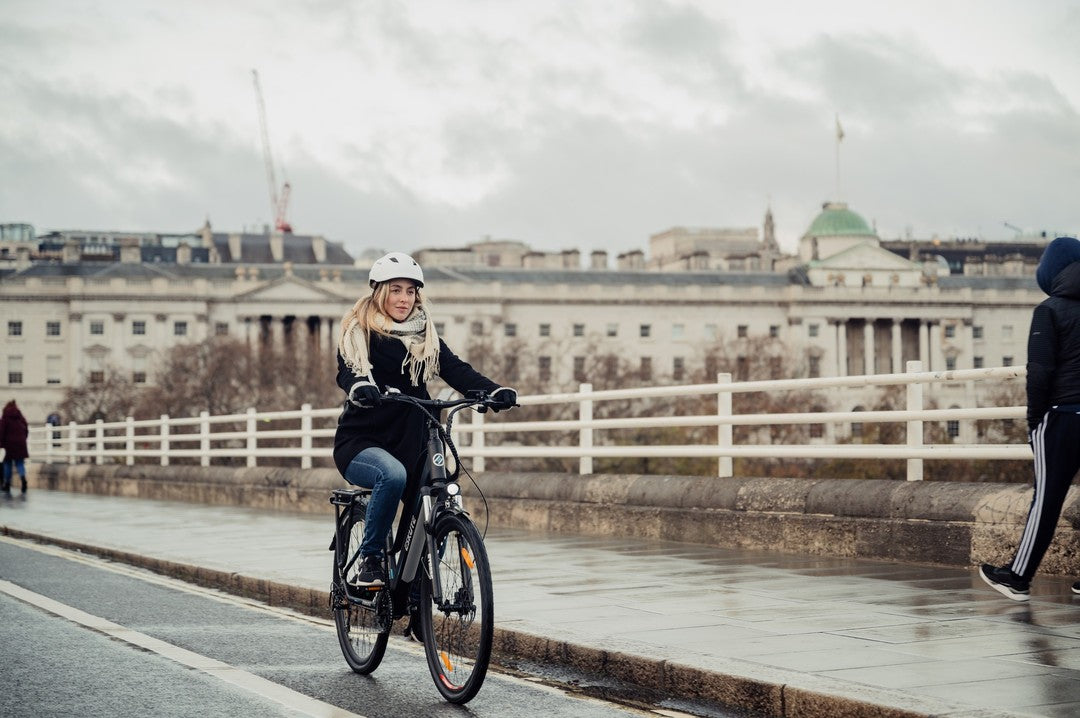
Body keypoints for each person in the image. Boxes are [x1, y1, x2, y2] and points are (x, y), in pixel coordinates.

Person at [333, 252, 517, 588]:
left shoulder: (425, 337)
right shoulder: (358, 333)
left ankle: (418, 588)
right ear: (379, 292)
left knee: (441, 495)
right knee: (392, 474)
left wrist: (494, 390)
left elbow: (456, 370)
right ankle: (371, 559)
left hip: (411, 439)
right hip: (362, 442)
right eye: (396, 290)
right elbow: (349, 371)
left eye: (410, 291)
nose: (404, 299)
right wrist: (360, 386)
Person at [981, 236, 1080, 600]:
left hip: (1062, 417)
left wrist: (1035, 422)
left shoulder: (1049, 310)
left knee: (1047, 500)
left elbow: (1039, 372)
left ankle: (1018, 577)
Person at [0, 400, 29, 497]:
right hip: (20, 443)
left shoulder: (5, 418)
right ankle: (23, 479)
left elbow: (2, 432)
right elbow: (26, 428)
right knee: (20, 463)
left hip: (9, 443)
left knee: (7, 463)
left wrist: (1, 444)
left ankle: (7, 483)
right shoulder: (20, 417)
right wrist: (23, 439)